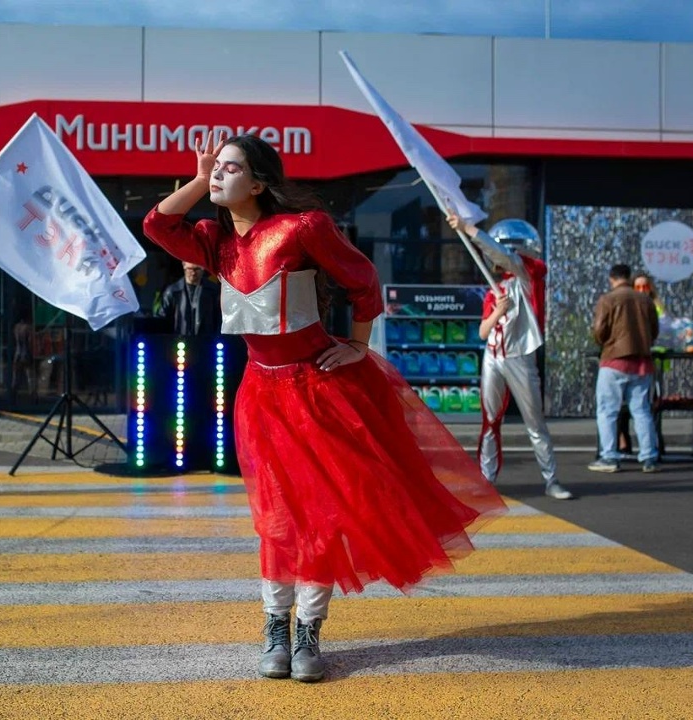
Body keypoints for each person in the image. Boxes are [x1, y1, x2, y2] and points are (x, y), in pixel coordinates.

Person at [144, 132, 506, 683]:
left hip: (318, 389)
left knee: (320, 519)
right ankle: (275, 629)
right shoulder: (214, 241)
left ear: (259, 183)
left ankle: (308, 633)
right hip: (259, 395)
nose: (218, 173)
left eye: (230, 168)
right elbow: (157, 225)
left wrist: (358, 344)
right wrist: (197, 180)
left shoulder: (302, 227)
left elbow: (364, 282)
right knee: (276, 520)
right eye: (215, 167)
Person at [446, 215, 574, 501]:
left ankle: (551, 479)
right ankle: (486, 478)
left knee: (535, 422)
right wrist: (497, 312)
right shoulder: (495, 292)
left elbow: (505, 256)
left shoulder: (529, 277)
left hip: (520, 357)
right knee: (490, 420)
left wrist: (468, 229)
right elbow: (483, 332)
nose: (501, 259)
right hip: (493, 357)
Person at [588, 263, 661, 473]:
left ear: (612, 278)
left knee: (607, 411)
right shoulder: (645, 300)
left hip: (614, 360)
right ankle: (648, 457)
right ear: (629, 278)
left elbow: (599, 330)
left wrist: (603, 342)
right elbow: (654, 330)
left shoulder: (608, 299)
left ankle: (609, 457)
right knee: (642, 410)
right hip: (642, 362)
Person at [617, 273, 665, 454]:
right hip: (628, 358)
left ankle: (653, 443)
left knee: (648, 405)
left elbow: (661, 329)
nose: (642, 290)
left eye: (645, 287)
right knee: (623, 403)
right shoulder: (627, 304)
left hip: (651, 360)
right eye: (638, 287)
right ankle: (624, 439)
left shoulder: (656, 306)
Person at [154, 260, 222, 336]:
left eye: (197, 269)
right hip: (178, 339)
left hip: (205, 340)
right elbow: (162, 319)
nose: (193, 273)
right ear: (184, 266)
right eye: (190, 269)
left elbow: (219, 318)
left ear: (203, 268)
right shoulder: (172, 292)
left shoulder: (214, 291)